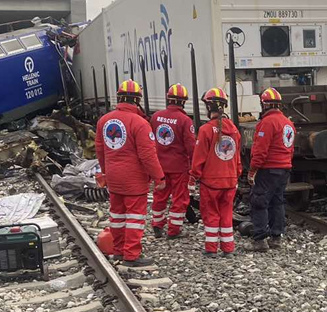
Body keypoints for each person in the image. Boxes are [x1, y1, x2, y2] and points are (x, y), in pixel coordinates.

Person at [95, 79, 166, 267]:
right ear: (137, 100)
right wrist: (159, 177)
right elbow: (148, 155)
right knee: (135, 217)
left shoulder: (104, 120)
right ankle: (132, 254)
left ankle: (118, 250)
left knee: (117, 216)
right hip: (134, 179)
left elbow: (100, 150)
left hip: (113, 176)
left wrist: (105, 172)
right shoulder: (140, 123)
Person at [190, 88, 241, 256]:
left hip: (211, 182)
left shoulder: (205, 130)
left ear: (208, 107)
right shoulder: (234, 129)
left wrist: (193, 177)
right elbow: (238, 157)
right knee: (226, 214)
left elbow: (199, 159)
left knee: (211, 214)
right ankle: (228, 248)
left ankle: (211, 249)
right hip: (230, 181)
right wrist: (236, 174)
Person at [249, 87, 295, 251]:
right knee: (278, 202)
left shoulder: (267, 123)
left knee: (259, 201)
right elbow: (291, 149)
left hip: (268, 169)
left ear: (265, 105)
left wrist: (252, 170)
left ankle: (260, 240)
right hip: (284, 168)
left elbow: (260, 150)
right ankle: (276, 238)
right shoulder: (288, 123)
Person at [150, 83, 196, 238]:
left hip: (160, 166)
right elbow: (191, 147)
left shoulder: (155, 117)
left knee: (160, 195)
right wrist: (195, 166)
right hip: (179, 167)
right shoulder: (185, 120)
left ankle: (157, 225)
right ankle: (174, 230)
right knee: (179, 198)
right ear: (183, 101)